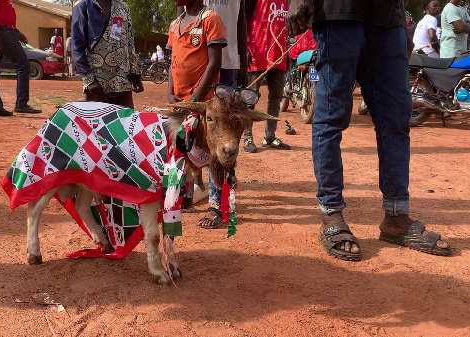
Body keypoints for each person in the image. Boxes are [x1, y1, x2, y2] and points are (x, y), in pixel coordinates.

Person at [287, 0, 451, 261]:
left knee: (396, 120)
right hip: (337, 13)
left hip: (388, 20)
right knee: (331, 118)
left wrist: (402, 21)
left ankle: (397, 218)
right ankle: (331, 215)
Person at [176, 0, 249, 227]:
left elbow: (241, 22)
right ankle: (188, 189)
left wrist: (243, 65)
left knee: (223, 136)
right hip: (197, 67)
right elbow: (182, 16)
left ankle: (217, 204)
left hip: (227, 65)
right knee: (192, 132)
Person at [71, 0, 144, 108]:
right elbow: (77, 46)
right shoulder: (83, 5)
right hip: (98, 85)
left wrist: (135, 75)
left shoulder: (123, 7)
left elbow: (129, 43)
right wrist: (89, 79)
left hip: (123, 82)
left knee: (125, 122)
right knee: (98, 123)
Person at [242, 0, 292, 153]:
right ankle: (247, 137)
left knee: (276, 97)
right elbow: (244, 19)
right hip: (257, 51)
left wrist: (287, 52)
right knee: (250, 99)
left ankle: (269, 136)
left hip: (278, 53)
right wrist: (245, 48)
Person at [0, 0, 42, 117]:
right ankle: (21, 104)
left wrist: (16, 31)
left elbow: (4, 13)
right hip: (0, 31)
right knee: (23, 65)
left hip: (2, 30)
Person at [166, 0, 226, 104]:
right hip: (179, 102)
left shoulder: (211, 19)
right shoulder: (174, 25)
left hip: (202, 101)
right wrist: (170, 94)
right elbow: (173, 63)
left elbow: (215, 64)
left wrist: (196, 98)